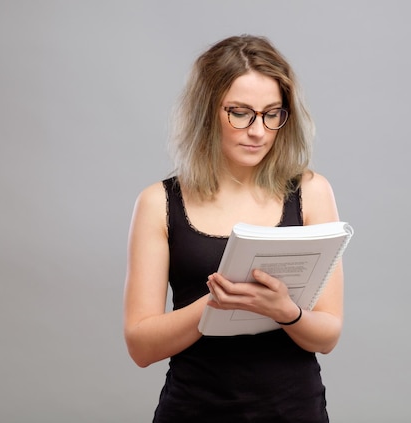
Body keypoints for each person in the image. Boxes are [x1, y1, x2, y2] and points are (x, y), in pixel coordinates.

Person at [123, 34, 344, 422]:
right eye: (240, 113)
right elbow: (141, 347)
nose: (258, 130)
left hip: (294, 411)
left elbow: (327, 335)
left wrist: (285, 312)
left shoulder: (312, 192)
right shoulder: (158, 203)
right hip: (193, 409)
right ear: (207, 112)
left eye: (272, 113)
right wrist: (214, 305)